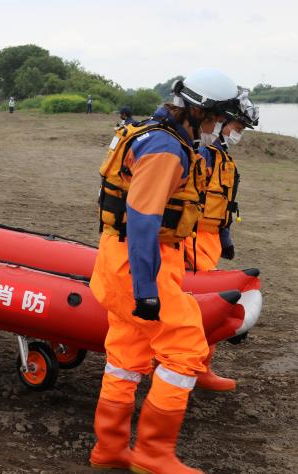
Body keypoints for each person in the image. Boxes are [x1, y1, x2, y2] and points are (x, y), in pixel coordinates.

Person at [90, 69, 239, 473]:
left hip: (126, 259)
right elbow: (141, 221)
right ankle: (153, 453)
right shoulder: (165, 149)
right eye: (214, 120)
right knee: (186, 349)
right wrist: (146, 290)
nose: (216, 129)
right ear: (195, 110)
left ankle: (111, 449)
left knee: (126, 354)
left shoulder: (156, 135)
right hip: (141, 262)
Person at [184, 90, 259, 392]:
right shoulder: (199, 154)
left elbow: (221, 205)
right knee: (196, 307)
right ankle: (185, 365)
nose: (239, 135)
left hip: (208, 243)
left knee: (205, 305)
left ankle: (201, 367)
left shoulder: (221, 157)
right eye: (238, 128)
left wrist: (224, 238)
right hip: (190, 244)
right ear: (220, 122)